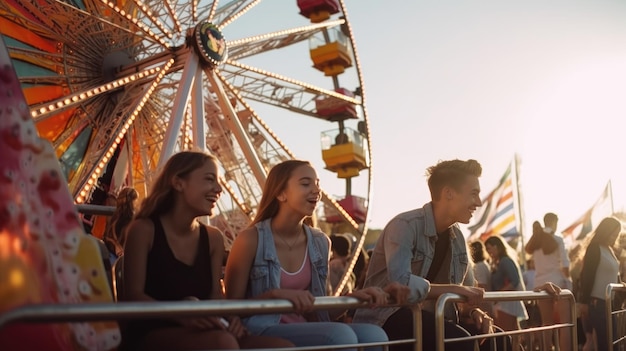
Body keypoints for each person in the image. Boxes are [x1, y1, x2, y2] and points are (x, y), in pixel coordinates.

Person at [224, 160, 407, 351]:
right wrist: (274, 296)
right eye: (305, 184)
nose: (316, 190)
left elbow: (321, 308)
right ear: (280, 193)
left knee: (374, 335)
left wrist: (353, 297)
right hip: (263, 328)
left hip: (308, 326)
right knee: (340, 336)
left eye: (317, 184)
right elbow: (232, 306)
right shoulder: (251, 239)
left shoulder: (320, 242)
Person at [122, 151, 293, 351]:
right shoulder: (144, 230)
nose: (219, 189)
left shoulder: (213, 238)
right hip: (153, 329)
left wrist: (231, 317)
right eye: (210, 179)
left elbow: (214, 296)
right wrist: (182, 313)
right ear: (178, 183)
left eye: (219, 181)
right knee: (223, 343)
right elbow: (133, 295)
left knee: (283, 347)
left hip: (206, 329)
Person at [353, 159, 491, 351]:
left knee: (496, 339)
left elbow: (466, 292)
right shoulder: (404, 226)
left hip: (433, 318)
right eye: (474, 194)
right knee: (460, 341)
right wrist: (456, 290)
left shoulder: (458, 236)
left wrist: (474, 311)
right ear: (448, 193)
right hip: (387, 316)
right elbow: (401, 284)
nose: (479, 202)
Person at [525, 213, 572, 350]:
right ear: (554, 222)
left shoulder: (536, 240)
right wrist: (568, 281)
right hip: (558, 283)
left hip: (540, 283)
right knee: (565, 324)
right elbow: (565, 264)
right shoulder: (557, 239)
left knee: (546, 324)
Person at [578, 216, 623, 351]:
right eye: (613, 234)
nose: (614, 238)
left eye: (617, 235)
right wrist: (584, 302)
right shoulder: (594, 248)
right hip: (597, 303)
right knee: (605, 344)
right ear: (606, 231)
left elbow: (614, 274)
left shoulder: (609, 250)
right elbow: (588, 275)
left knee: (612, 342)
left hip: (609, 303)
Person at [484, 235, 528, 346]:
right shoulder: (499, 262)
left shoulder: (505, 261)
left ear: (497, 246)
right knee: (513, 336)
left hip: (507, 302)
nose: (488, 252)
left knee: (507, 335)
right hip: (505, 302)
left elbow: (515, 281)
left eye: (489, 248)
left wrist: (499, 295)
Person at [103, 187, 138, 259]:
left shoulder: (114, 216)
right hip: (121, 256)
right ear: (133, 201)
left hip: (110, 251)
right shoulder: (134, 219)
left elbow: (106, 235)